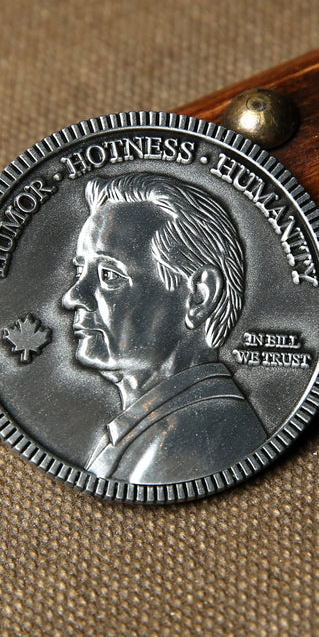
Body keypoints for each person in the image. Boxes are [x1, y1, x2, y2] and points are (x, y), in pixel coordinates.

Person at [62, 171, 266, 484]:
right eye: (81, 273)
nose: (72, 297)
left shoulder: (192, 439)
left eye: (109, 275)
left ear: (199, 297)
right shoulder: (151, 429)